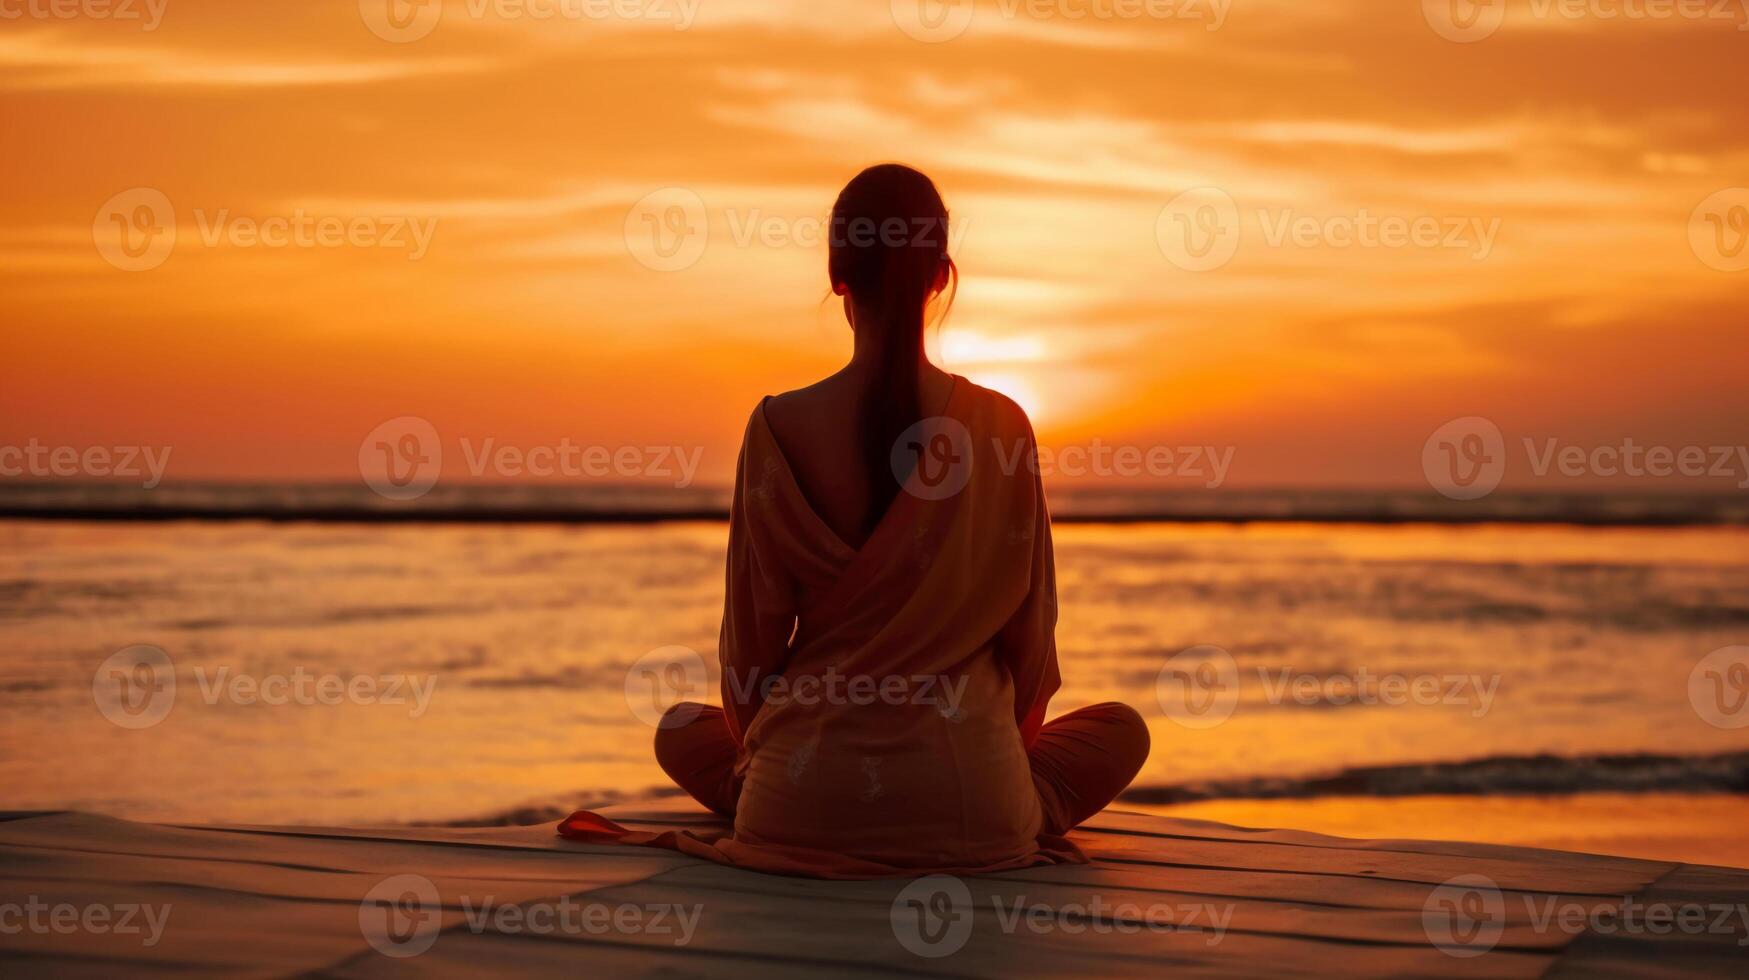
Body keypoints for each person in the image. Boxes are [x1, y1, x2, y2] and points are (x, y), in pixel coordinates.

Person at [560, 164, 1150, 877]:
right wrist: (992, 767)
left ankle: (786, 798)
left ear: (838, 275)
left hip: (798, 798)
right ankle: (981, 800)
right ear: (939, 277)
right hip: (971, 805)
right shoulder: (1002, 426)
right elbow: (1032, 650)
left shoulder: (776, 426)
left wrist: (767, 766)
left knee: (680, 726)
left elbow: (748, 655)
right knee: (1121, 729)